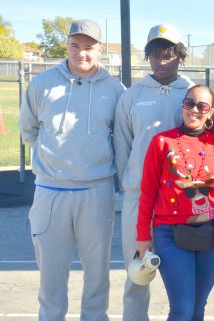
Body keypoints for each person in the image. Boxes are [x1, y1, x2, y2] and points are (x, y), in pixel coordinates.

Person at [19, 19, 125, 320]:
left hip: (96, 190)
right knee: (51, 277)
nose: (81, 53)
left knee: (97, 274)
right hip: (51, 191)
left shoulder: (115, 89)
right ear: (67, 45)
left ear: (100, 49)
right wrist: (51, 159)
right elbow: (28, 130)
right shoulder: (42, 83)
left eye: (89, 47)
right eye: (75, 46)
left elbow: (121, 136)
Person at [136, 85, 214, 320]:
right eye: (189, 103)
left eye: (202, 106)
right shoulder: (162, 142)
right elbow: (148, 192)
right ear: (182, 105)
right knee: (181, 309)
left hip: (210, 235)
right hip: (169, 235)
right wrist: (143, 235)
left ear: (211, 112)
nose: (194, 109)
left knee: (197, 308)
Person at [113, 23, 194, 320]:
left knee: (183, 281)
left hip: (180, 200)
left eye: (170, 54)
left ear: (180, 56)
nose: (162, 61)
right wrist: (133, 182)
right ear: (148, 56)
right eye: (156, 54)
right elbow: (123, 146)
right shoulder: (132, 96)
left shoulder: (191, 94)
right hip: (140, 199)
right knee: (137, 276)